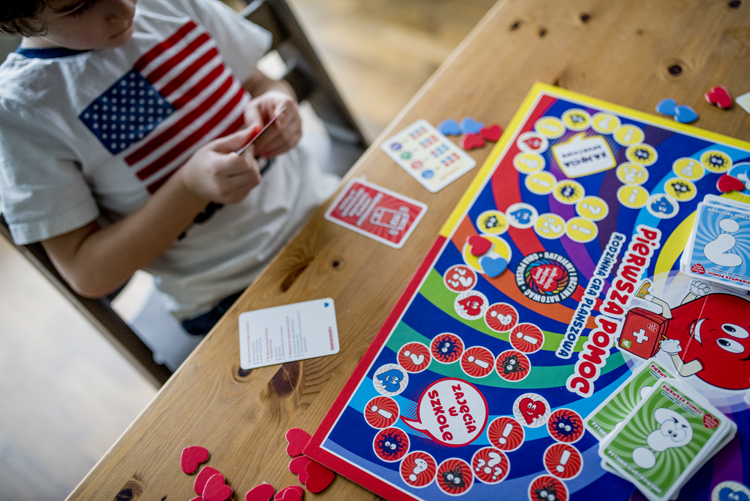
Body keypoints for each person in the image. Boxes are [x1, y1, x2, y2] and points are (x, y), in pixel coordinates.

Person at [0, 0, 339, 334]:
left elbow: (259, 84)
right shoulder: (20, 110)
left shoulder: (171, 5)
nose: (127, 10)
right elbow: (87, 272)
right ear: (16, 21)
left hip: (321, 206)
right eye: (79, 7)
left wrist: (278, 101)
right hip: (231, 289)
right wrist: (189, 188)